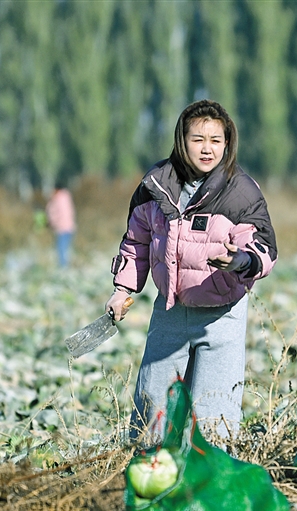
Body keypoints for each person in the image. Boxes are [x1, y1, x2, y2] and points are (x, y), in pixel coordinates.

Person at [105, 100, 277, 442]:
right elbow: (136, 242)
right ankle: (151, 467)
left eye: (216, 140)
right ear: (181, 141)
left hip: (222, 316)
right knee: (152, 413)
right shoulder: (155, 185)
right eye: (198, 139)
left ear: (227, 144)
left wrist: (242, 261)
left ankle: (209, 471)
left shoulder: (241, 191)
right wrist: (122, 290)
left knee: (214, 418)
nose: (207, 148)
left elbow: (262, 246)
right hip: (170, 310)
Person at [45, 185, 76, 268]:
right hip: (69, 226)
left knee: (61, 248)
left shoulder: (58, 199)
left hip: (62, 227)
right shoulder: (66, 198)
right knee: (66, 248)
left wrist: (52, 222)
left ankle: (63, 266)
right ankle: (66, 265)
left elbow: (57, 214)